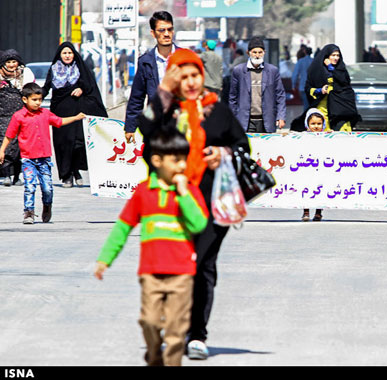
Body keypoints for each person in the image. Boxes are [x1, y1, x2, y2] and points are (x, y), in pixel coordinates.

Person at [136, 48, 250, 360]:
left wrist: (222, 153)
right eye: (180, 75)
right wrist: (162, 93)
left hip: (213, 203)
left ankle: (197, 334)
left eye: (193, 74)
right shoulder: (165, 111)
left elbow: (243, 146)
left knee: (202, 266)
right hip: (172, 204)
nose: (188, 81)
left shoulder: (218, 111)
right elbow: (144, 129)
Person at [94, 129, 209, 366]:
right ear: (157, 161)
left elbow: (199, 224)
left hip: (182, 274)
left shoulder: (189, 191)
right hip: (151, 273)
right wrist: (105, 259)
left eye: (183, 160)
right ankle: (154, 353)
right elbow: (122, 228)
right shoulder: (144, 192)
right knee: (150, 321)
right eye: (175, 160)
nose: (181, 166)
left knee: (176, 331)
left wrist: (184, 193)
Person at [0, 83, 85, 224]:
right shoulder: (19, 116)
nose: (38, 103)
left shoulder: (45, 114)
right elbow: (9, 135)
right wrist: (2, 150)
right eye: (34, 100)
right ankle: (29, 212)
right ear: (25, 99)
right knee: (30, 186)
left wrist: (75, 118)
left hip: (44, 159)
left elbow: (59, 121)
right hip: (28, 159)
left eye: (39, 100)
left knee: (47, 188)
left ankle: (47, 205)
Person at [42, 41, 108, 188]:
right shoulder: (53, 69)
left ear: (74, 54)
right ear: (60, 55)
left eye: (70, 53)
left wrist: (81, 89)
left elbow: (90, 86)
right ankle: (66, 175)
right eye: (64, 53)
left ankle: (76, 171)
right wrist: (34, 97)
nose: (67, 55)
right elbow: (46, 88)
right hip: (59, 112)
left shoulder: (80, 68)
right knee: (63, 143)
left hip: (77, 112)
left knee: (77, 143)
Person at [124, 11, 179, 144]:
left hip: (180, 123)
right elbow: (137, 97)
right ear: (153, 33)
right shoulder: (145, 62)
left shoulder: (184, 58)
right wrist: (130, 127)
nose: (166, 34)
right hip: (155, 124)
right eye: (161, 30)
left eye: (169, 29)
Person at [292, 44, 361, 132]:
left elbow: (343, 82)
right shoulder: (316, 70)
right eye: (333, 55)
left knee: (342, 131)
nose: (336, 58)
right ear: (327, 56)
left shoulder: (341, 69)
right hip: (323, 105)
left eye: (338, 55)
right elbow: (308, 87)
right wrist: (320, 90)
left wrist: (331, 67)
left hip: (340, 108)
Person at [229, 36, 286, 133]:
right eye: (254, 52)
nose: (257, 55)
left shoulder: (272, 71)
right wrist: (233, 118)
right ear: (248, 53)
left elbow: (280, 95)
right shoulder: (238, 71)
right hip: (245, 121)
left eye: (260, 52)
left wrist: (281, 116)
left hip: (266, 120)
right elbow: (233, 96)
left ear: (264, 53)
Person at [0, 49, 35, 187]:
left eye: (14, 61)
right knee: (5, 144)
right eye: (8, 62)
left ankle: (17, 176)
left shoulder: (26, 74)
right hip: (3, 116)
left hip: (21, 115)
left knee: (20, 146)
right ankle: (6, 175)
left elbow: (32, 92)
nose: (11, 65)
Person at [297, 108, 329, 222]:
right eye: (313, 123)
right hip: (307, 169)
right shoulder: (303, 136)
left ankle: (318, 213)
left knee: (320, 189)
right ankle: (306, 212)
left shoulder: (326, 136)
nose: (316, 126)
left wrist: (333, 136)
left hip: (321, 169)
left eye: (319, 124)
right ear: (307, 124)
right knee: (306, 189)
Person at [292, 46, 313, 111]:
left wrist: (293, 85)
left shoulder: (300, 61)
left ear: (305, 52)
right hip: (313, 86)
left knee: (305, 105)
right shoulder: (314, 61)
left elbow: (295, 74)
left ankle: (306, 118)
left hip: (303, 86)